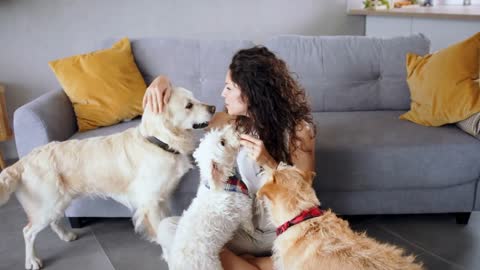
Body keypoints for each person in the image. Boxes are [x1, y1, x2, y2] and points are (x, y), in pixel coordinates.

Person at [144, 46, 316, 270]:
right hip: (242, 230)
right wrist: (162, 81)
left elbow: (305, 193)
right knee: (169, 228)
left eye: (229, 87)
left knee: (313, 255)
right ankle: (257, 265)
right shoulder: (228, 122)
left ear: (251, 92)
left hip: (280, 230)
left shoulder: (299, 131)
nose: (222, 93)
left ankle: (250, 264)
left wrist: (269, 163)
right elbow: (184, 113)